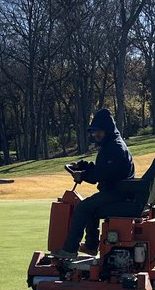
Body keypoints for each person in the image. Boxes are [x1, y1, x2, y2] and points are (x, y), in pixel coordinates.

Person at [54, 108, 135, 258]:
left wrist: (82, 175)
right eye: (94, 132)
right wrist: (84, 166)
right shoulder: (111, 145)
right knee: (90, 205)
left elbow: (102, 173)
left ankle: (70, 250)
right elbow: (103, 169)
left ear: (108, 130)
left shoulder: (115, 148)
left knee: (83, 207)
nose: (95, 135)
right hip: (118, 191)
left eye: (99, 131)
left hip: (118, 192)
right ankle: (91, 246)